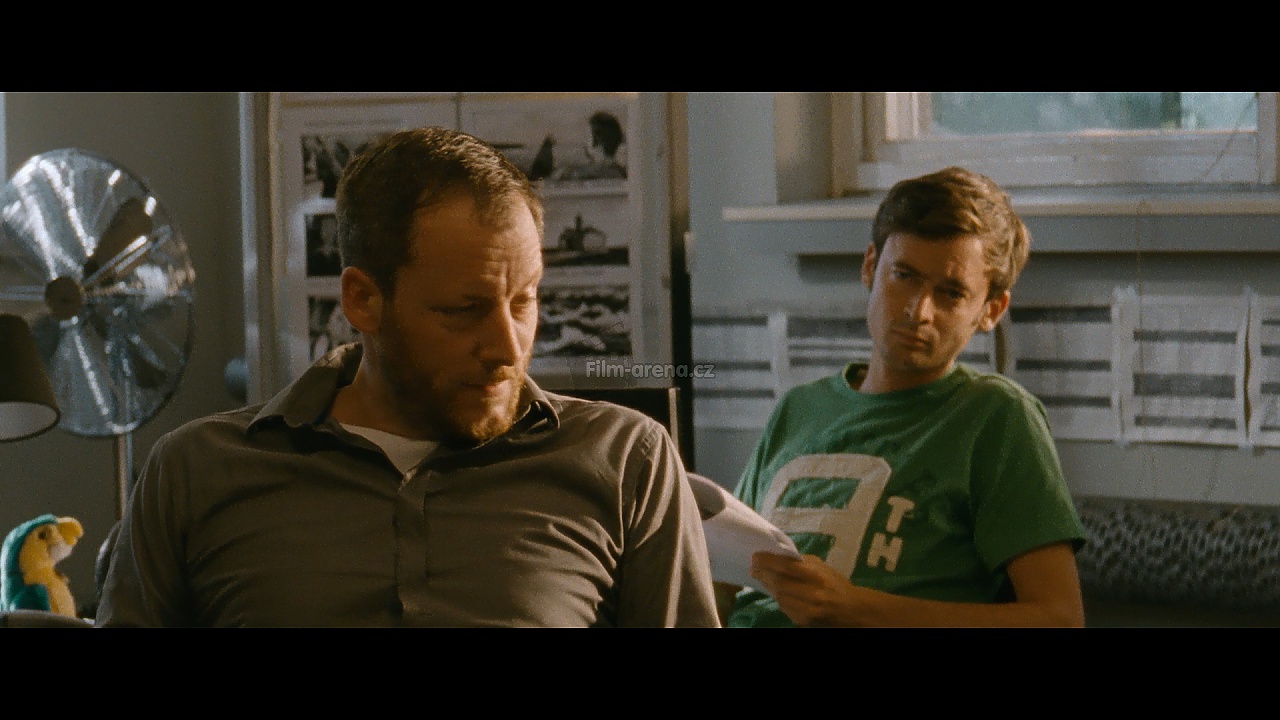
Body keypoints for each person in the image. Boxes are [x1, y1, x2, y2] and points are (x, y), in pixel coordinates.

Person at [96, 126, 719, 627]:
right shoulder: (196, 473)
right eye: (464, 310)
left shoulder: (625, 461)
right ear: (363, 300)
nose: (507, 347)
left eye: (524, 301)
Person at [718, 166, 1088, 628]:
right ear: (870, 266)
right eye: (904, 275)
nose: (918, 310)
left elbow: (1059, 618)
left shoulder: (995, 416)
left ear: (990, 310)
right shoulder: (799, 410)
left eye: (951, 293)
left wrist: (854, 609)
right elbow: (722, 583)